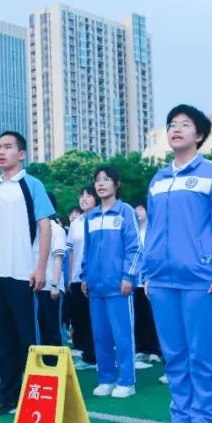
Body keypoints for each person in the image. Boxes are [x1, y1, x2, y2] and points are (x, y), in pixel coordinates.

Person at [146, 104, 212, 423]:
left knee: (201, 352)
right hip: (161, 280)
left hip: (201, 278)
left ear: (199, 135)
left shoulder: (211, 172)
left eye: (184, 125)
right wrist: (148, 272)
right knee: (173, 353)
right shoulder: (158, 179)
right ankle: (181, 419)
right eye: (171, 124)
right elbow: (153, 230)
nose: (176, 129)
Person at [0, 131, 54, 416]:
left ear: (21, 154)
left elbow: (45, 226)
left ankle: (37, 397)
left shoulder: (31, 185)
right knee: (2, 338)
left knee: (29, 337)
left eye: (8, 147)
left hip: (23, 273)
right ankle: (7, 396)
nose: (1, 152)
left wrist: (40, 267)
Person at [82, 166, 142, 398]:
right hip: (96, 286)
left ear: (116, 184)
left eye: (106, 179)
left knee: (122, 335)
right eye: (97, 180)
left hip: (119, 286)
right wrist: (85, 276)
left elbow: (135, 248)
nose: (101, 184)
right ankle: (105, 378)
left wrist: (129, 276)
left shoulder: (125, 212)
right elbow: (86, 251)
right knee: (101, 335)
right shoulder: (91, 216)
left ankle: (127, 381)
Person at [66, 185, 98, 371]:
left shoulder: (100, 218)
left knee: (98, 318)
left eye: (88, 195)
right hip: (78, 278)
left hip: (95, 278)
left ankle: (102, 355)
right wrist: (69, 278)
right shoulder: (76, 223)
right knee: (81, 319)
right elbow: (71, 253)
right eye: (81, 195)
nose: (84, 198)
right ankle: (88, 356)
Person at [35, 195, 67, 348]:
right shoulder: (35, 230)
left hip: (50, 287)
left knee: (52, 327)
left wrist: (54, 285)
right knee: (40, 327)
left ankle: (54, 364)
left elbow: (58, 258)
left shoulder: (57, 230)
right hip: (35, 286)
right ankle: (42, 366)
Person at [131, 203, 161, 364]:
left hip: (151, 279)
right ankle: (142, 348)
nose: (138, 213)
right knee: (139, 316)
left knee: (153, 316)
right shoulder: (133, 232)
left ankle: (155, 349)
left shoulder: (153, 230)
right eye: (135, 211)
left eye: (141, 209)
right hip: (136, 281)